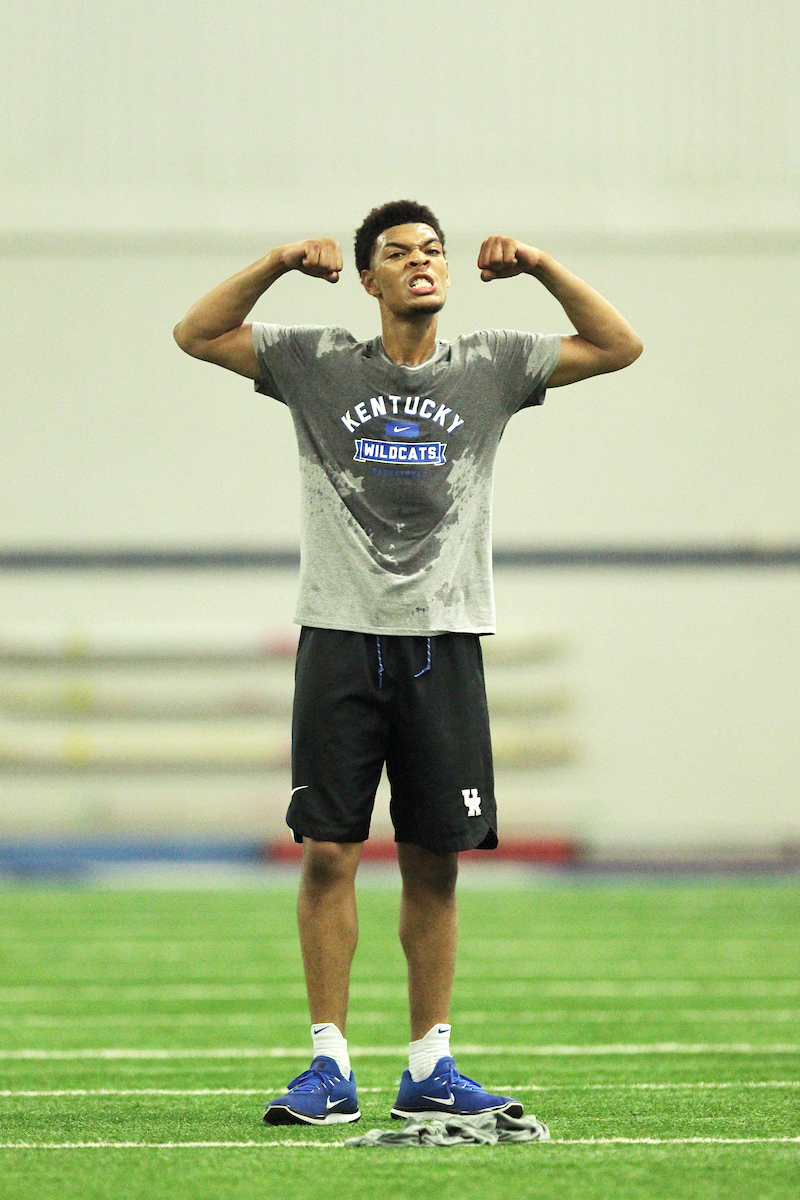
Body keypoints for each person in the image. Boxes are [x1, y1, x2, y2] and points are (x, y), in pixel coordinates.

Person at [173, 199, 642, 1126]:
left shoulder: (495, 365)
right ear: (368, 277)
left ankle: (430, 1066)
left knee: (436, 863)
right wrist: (274, 259)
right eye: (399, 253)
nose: (422, 263)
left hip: (446, 641)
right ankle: (328, 1069)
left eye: (433, 251)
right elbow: (196, 332)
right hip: (340, 636)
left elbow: (621, 345)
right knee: (330, 854)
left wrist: (544, 264)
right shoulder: (318, 364)